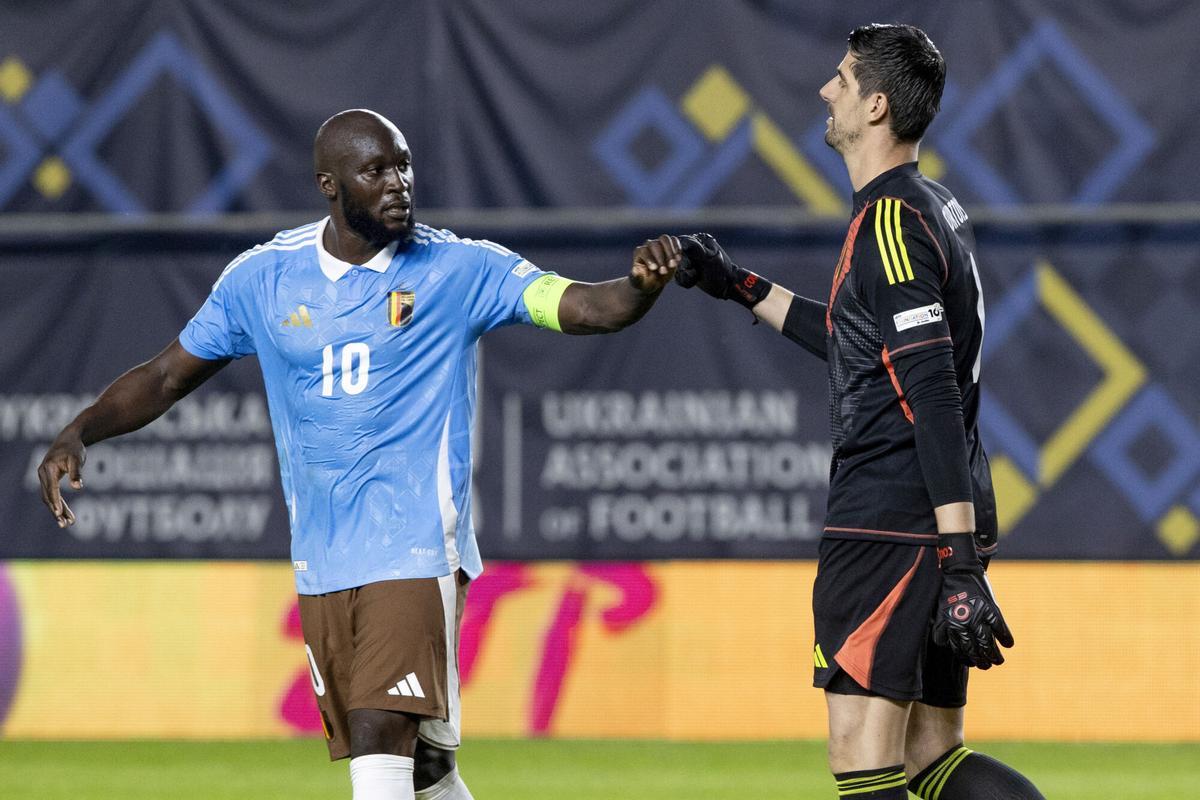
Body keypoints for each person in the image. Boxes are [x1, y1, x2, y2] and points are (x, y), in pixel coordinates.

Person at [36, 109, 681, 800]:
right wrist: (81, 430)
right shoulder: (263, 279)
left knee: (379, 737)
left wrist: (638, 287)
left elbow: (584, 306)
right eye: (376, 171)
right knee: (426, 769)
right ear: (329, 184)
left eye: (404, 165)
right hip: (323, 555)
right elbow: (166, 376)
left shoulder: (458, 268)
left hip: (416, 548)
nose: (399, 183)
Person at [672, 24, 1044, 800]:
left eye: (840, 79)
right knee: (933, 757)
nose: (825, 90)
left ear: (876, 106)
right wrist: (735, 283)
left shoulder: (889, 224)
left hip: (893, 518)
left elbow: (932, 390)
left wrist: (960, 566)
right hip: (935, 512)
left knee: (861, 756)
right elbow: (857, 341)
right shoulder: (928, 206)